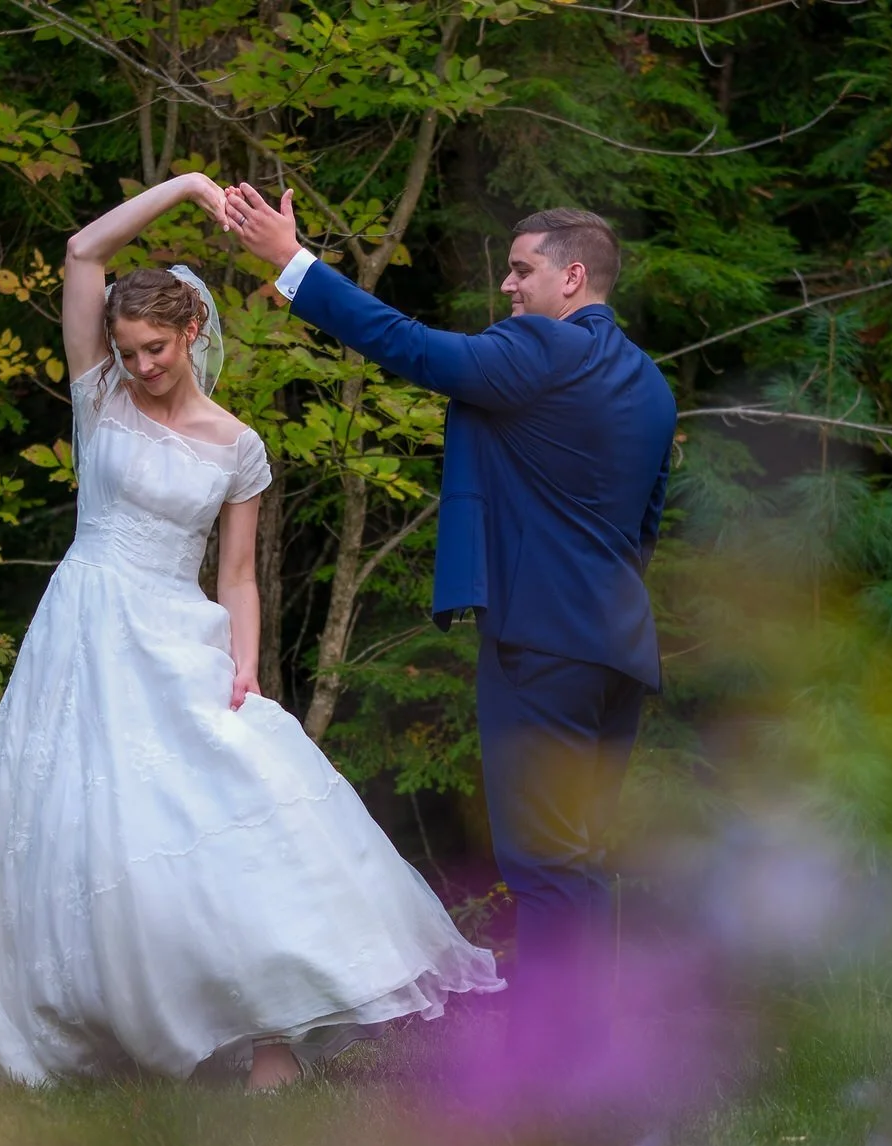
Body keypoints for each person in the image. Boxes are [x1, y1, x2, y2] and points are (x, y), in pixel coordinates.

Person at [0, 172, 501, 1091]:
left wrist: (245, 665)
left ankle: (273, 1037)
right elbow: (83, 251)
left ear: (191, 331)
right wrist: (189, 186)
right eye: (127, 350)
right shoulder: (100, 397)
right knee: (73, 830)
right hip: (81, 635)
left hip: (175, 637)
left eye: (154, 348)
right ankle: (85, 1026)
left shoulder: (237, 446)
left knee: (229, 814)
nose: (141, 365)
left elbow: (236, 574)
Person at [223, 184, 674, 1014]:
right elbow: (643, 526)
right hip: (618, 648)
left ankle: (550, 1050)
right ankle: (590, 1042)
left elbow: (412, 348)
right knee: (578, 856)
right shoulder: (650, 385)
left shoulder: (543, 349)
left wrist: (292, 262)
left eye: (522, 270)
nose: (507, 285)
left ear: (573, 278)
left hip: (543, 643)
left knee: (543, 858)